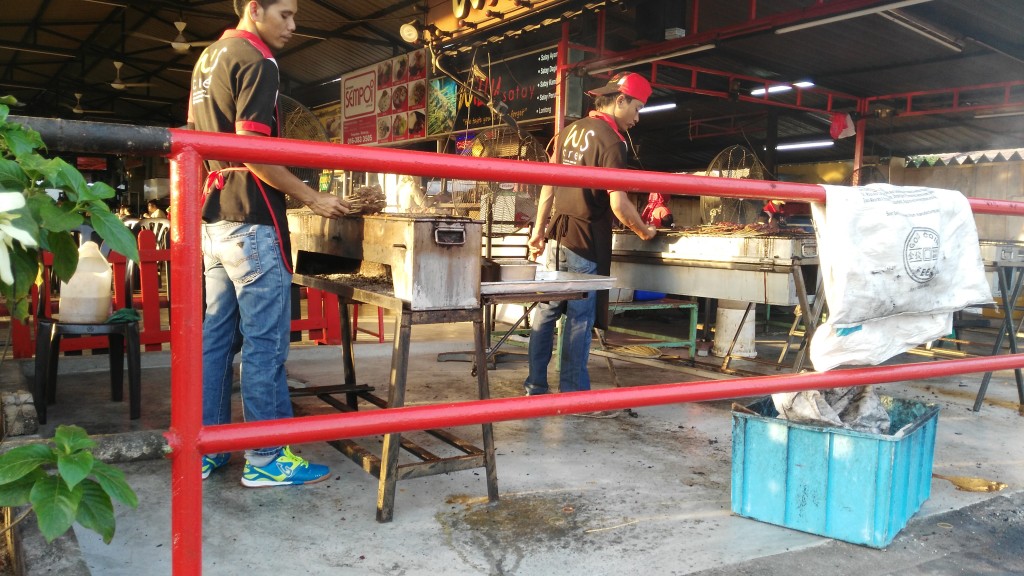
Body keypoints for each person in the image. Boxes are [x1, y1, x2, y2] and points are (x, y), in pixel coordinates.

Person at [187, 0, 353, 486]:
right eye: (285, 13)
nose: (293, 26)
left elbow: (203, 142)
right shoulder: (257, 59)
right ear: (255, 9)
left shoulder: (209, 58)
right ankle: (265, 457)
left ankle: (209, 446)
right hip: (253, 219)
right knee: (265, 343)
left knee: (216, 337)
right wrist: (310, 196)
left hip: (215, 217)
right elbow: (251, 146)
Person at [523, 72, 658, 417]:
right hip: (584, 244)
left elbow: (548, 187)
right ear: (620, 100)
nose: (637, 118)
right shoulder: (612, 141)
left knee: (546, 316)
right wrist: (644, 230)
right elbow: (618, 203)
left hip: (554, 239)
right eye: (637, 108)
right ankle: (574, 399)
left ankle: (535, 389)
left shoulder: (567, 132)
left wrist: (537, 231)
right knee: (579, 322)